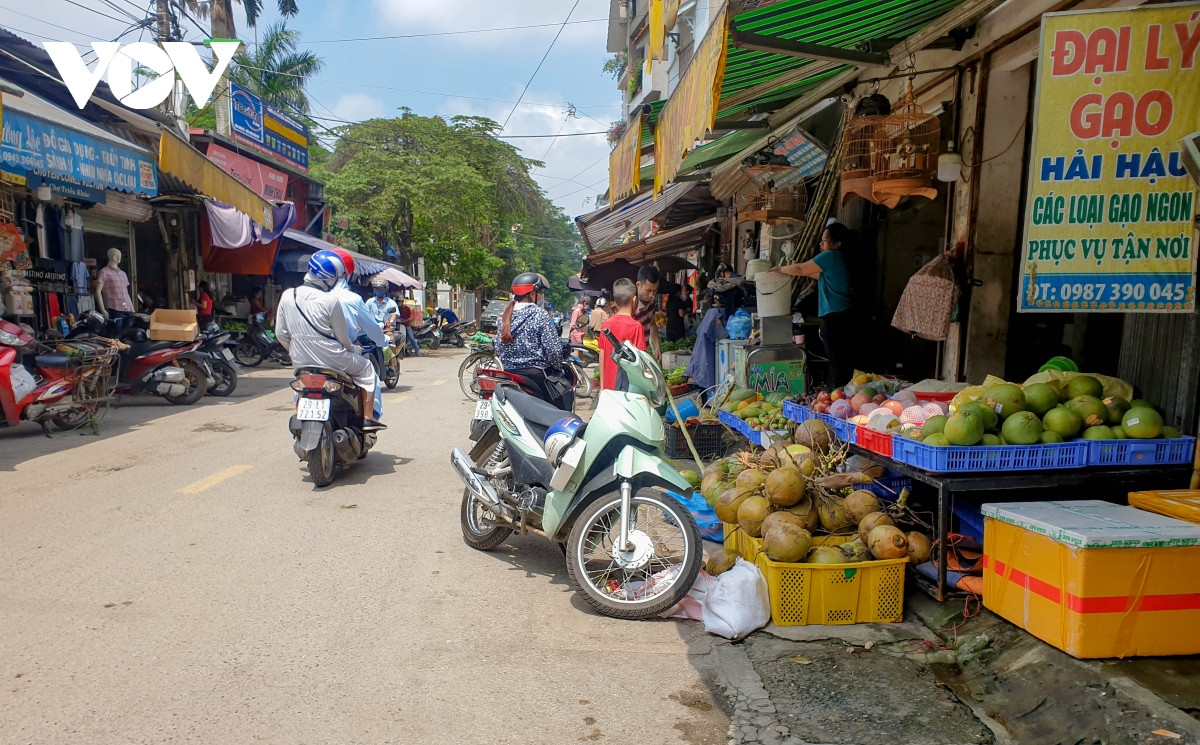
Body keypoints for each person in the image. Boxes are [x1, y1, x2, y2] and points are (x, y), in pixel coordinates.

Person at [275, 250, 385, 431]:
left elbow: (281, 334)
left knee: (301, 386)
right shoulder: (330, 301)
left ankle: (299, 419)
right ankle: (368, 417)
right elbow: (343, 340)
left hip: (301, 360)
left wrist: (296, 350)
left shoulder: (288, 295)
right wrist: (355, 350)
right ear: (327, 279)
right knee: (367, 368)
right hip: (333, 359)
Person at [769, 222, 855, 386]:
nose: (821, 244)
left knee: (837, 364)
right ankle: (840, 394)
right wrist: (795, 268)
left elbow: (801, 269)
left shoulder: (831, 256)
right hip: (843, 316)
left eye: (825, 241)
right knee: (840, 362)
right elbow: (814, 274)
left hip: (836, 317)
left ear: (837, 243)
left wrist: (779, 269)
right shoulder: (838, 259)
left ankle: (838, 395)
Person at [494, 272, 573, 410]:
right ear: (532, 294)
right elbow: (554, 351)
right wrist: (557, 368)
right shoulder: (540, 315)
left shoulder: (503, 315)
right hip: (535, 375)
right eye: (540, 292)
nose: (541, 296)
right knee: (560, 403)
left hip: (509, 373)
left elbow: (498, 347)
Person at [330, 255, 387, 422]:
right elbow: (371, 328)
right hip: (341, 354)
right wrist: (383, 341)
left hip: (308, 355)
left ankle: (299, 413)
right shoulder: (352, 299)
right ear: (348, 274)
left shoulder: (304, 297)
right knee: (369, 372)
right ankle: (369, 416)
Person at [599, 279, 647, 391]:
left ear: (615, 302)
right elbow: (641, 361)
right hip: (629, 389)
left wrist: (602, 387)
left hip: (608, 388)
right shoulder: (636, 327)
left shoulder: (606, 324)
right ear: (634, 300)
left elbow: (602, 356)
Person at [633, 265, 661, 359]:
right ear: (638, 285)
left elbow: (652, 324)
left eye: (655, 290)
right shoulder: (630, 304)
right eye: (648, 290)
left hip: (643, 354)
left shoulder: (651, 301)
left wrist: (657, 347)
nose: (652, 295)